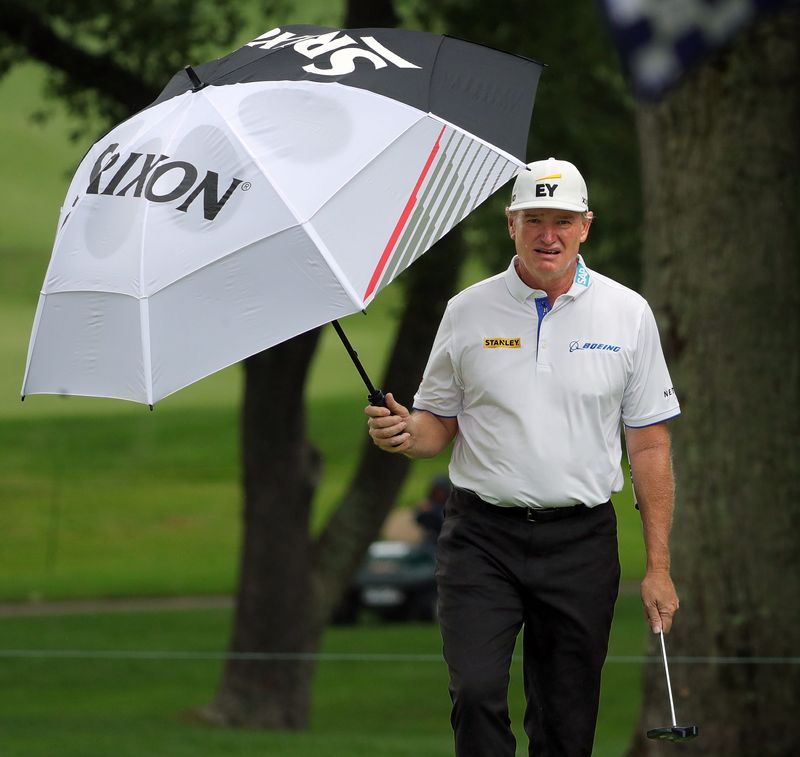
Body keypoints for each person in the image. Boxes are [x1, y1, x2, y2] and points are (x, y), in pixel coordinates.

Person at [365, 157, 681, 757]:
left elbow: (649, 443)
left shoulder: (627, 313)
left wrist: (658, 566)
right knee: (476, 692)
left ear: (585, 226)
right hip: (482, 538)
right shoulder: (467, 310)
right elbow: (438, 425)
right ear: (511, 224)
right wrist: (404, 433)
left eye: (562, 220)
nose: (548, 235)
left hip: (581, 541)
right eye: (534, 219)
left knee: (566, 720)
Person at [414, 474, 451, 548]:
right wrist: (422, 512)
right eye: (437, 491)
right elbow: (419, 520)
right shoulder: (429, 505)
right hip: (430, 542)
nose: (440, 494)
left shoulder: (451, 506)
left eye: (442, 491)